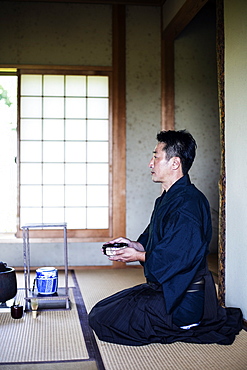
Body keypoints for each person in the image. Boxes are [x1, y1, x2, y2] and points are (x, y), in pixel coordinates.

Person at [88, 130, 242, 346]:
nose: (150, 163)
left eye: (156, 157)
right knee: (102, 309)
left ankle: (190, 323)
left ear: (175, 163)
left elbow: (175, 256)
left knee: (105, 320)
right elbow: (152, 238)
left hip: (183, 298)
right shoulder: (169, 198)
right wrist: (133, 245)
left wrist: (139, 256)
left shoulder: (188, 204)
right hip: (169, 288)